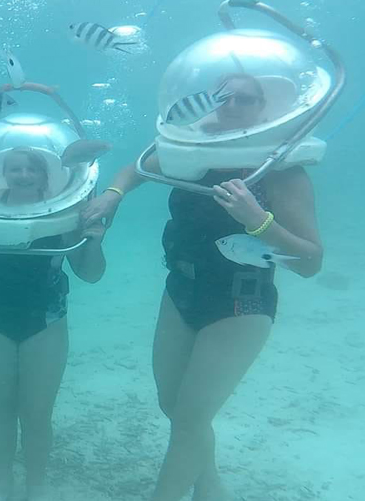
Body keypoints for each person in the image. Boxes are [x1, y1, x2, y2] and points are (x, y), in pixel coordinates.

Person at [82, 74, 324, 501]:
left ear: (263, 111)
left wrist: (259, 221)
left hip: (241, 301)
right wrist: (114, 194)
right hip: (181, 290)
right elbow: (136, 168)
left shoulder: (281, 171)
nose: (231, 106)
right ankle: (211, 488)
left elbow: (311, 263)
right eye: (223, 97)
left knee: (191, 419)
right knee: (173, 406)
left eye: (245, 100)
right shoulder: (187, 154)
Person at [0, 147, 106, 501]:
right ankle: (2, 484)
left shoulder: (63, 212)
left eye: (31, 169)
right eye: (15, 169)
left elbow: (90, 274)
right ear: (5, 174)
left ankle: (36, 486)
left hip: (46, 320)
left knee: (38, 412)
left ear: (44, 175)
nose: (24, 175)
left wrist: (93, 240)